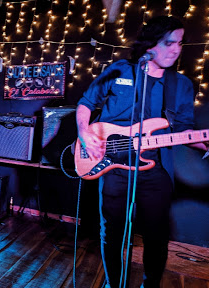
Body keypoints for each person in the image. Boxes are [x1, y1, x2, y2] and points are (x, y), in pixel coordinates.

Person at [76, 16, 209, 288]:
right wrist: (85, 133)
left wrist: (202, 142)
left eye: (180, 43)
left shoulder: (181, 85)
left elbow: (182, 130)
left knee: (157, 235)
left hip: (155, 170)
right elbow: (86, 103)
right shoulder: (119, 70)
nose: (176, 49)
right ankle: (114, 283)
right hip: (112, 165)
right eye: (168, 42)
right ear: (150, 45)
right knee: (111, 232)